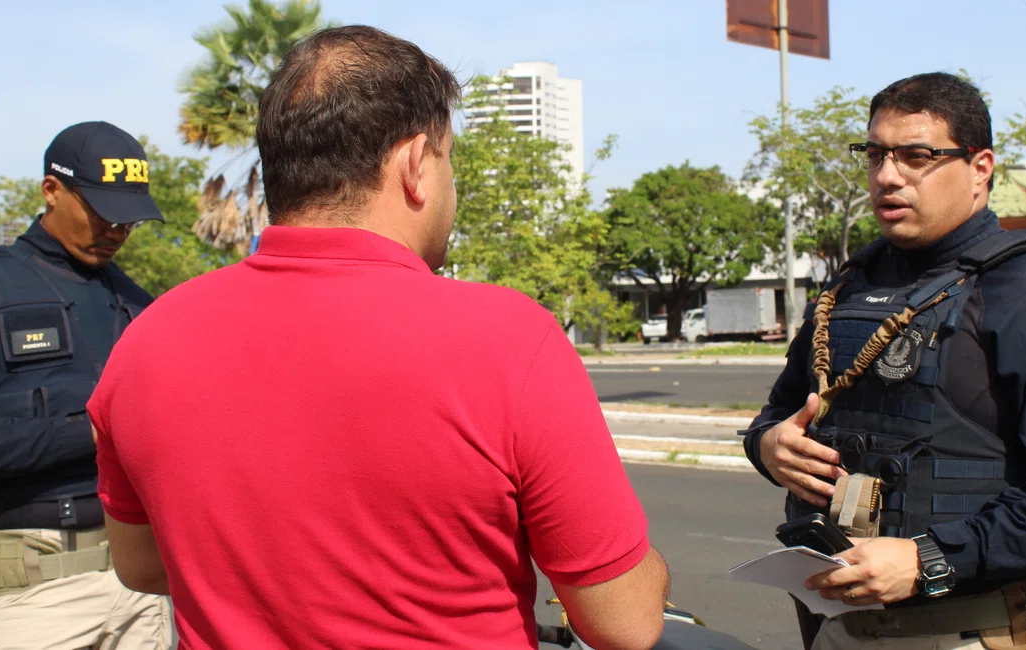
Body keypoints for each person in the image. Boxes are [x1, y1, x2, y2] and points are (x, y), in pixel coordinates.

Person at [87, 25, 670, 650]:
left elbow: (141, 566)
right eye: (450, 160)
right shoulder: (507, 338)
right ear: (415, 165)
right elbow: (626, 623)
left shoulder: (145, 342)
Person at [741, 72, 1026, 650]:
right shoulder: (852, 287)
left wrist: (930, 559)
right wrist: (768, 446)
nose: (886, 176)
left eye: (916, 156)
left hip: (982, 630)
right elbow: (778, 411)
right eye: (875, 154)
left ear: (980, 168)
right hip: (839, 625)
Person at [0, 121, 172, 648]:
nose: (117, 231)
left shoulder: (140, 304)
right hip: (32, 594)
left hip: (142, 590)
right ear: (51, 190)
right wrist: (92, 432)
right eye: (102, 212)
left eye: (128, 219)